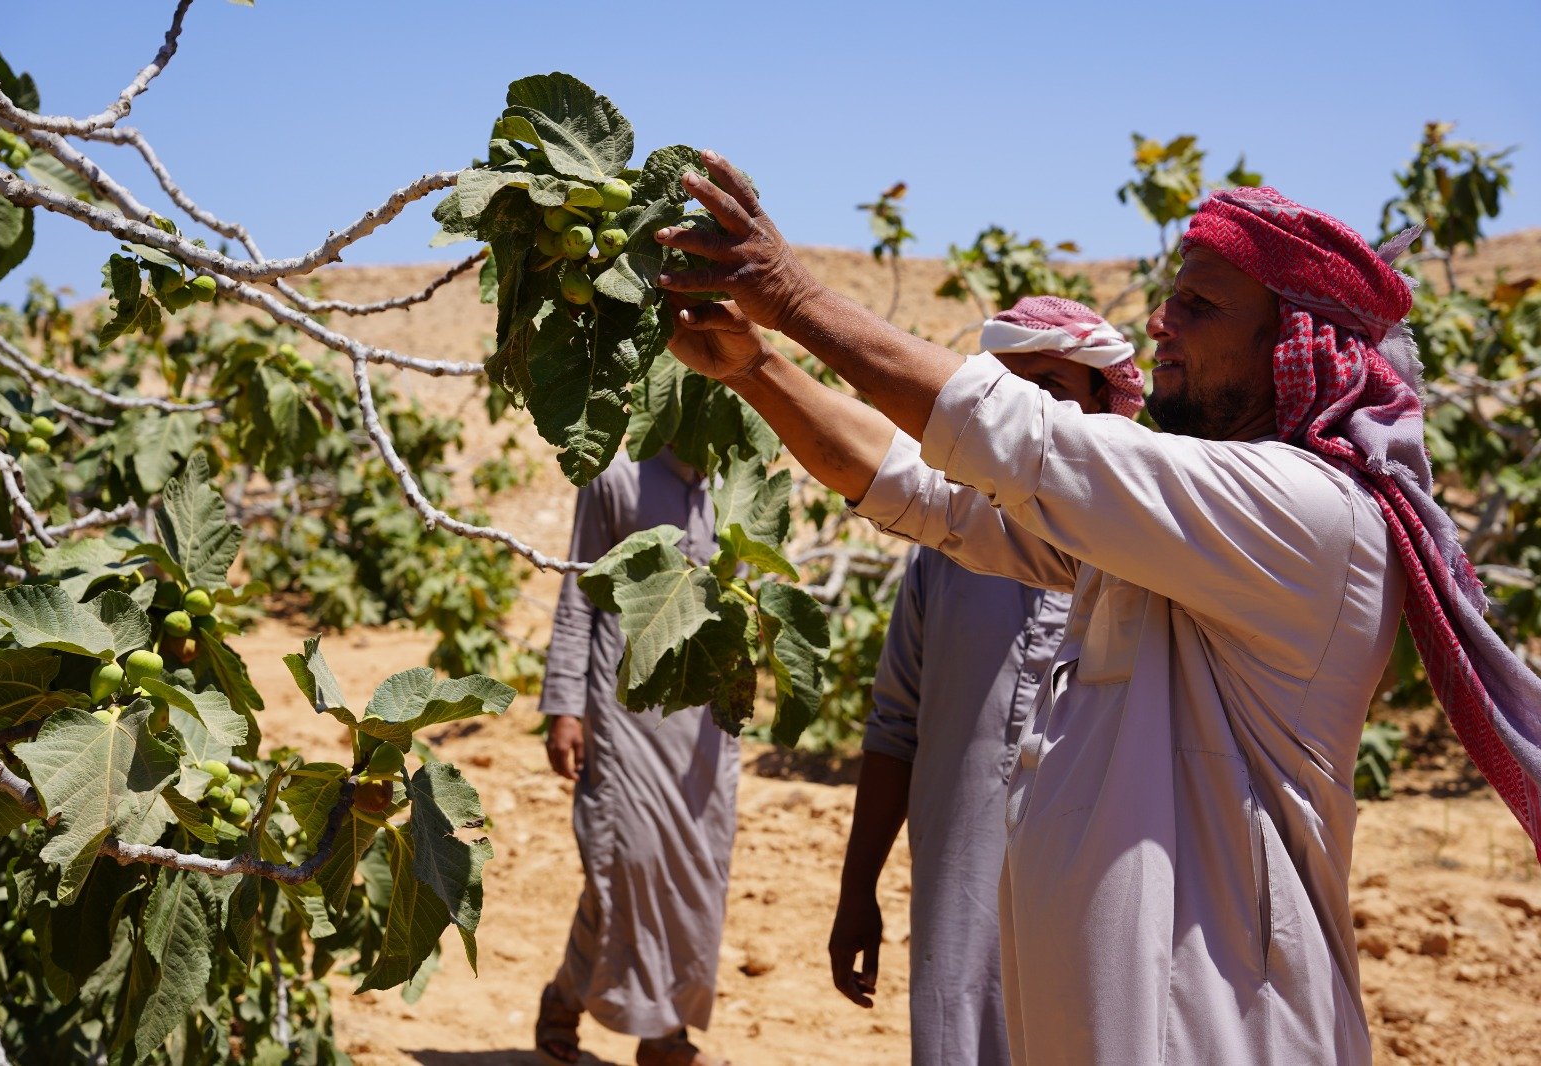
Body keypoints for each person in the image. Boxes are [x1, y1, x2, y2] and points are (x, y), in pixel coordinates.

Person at [652, 154, 1541, 1064]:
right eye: (1169, 301)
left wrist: (798, 300)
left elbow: (1024, 442)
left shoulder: (1303, 511)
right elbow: (920, 491)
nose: (1162, 324)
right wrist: (756, 366)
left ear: (1289, 339)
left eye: (1199, 306)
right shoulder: (1172, 544)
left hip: (1218, 1033)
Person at [828, 298, 1143, 1066]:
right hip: (958, 897)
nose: (1029, 413)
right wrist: (857, 889)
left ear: (1106, 403)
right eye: (1009, 390)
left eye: (1054, 389)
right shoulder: (944, 551)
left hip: (1101, 903)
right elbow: (895, 724)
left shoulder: (1146, 556)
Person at [535, 447, 736, 1066]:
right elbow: (579, 593)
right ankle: (573, 1003)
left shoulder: (736, 479)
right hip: (624, 714)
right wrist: (566, 704)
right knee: (624, 867)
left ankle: (662, 1033)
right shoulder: (616, 475)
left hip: (705, 726)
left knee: (696, 875)